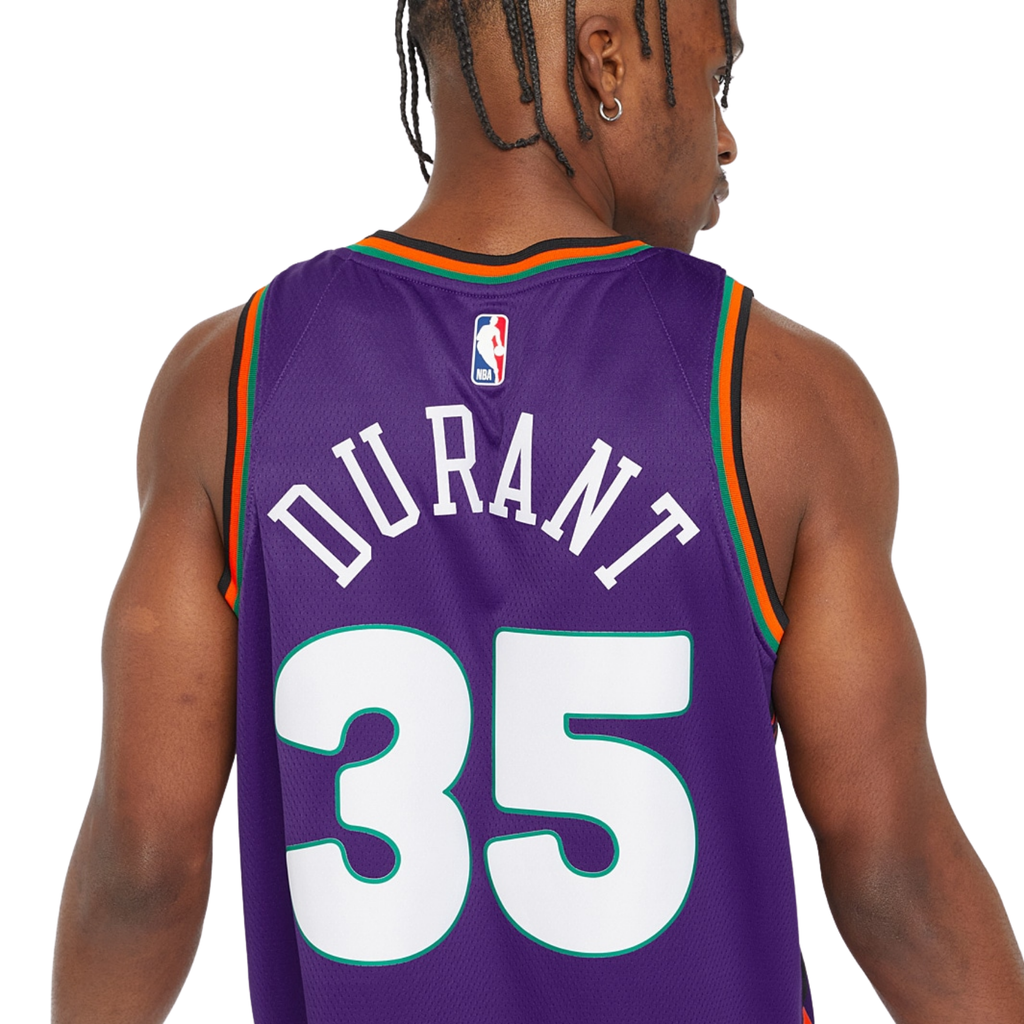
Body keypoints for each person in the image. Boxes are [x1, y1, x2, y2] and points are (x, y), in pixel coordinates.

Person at [51, 0, 1024, 1021]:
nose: (726, 135)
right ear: (607, 60)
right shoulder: (773, 398)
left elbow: (143, 869)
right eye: (713, 79)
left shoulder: (235, 386)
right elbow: (896, 880)